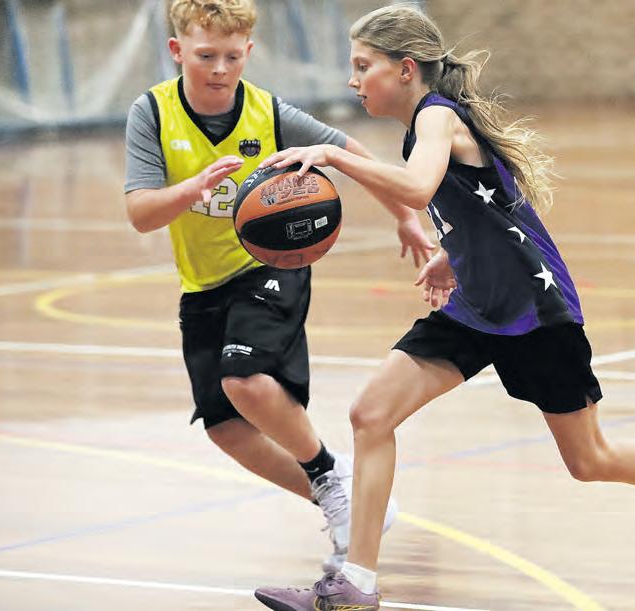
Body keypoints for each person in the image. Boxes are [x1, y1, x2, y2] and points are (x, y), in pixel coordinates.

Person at [252, 5, 635, 609]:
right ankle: (355, 585)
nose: (353, 80)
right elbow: (491, 200)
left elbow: (418, 189)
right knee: (371, 415)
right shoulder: (426, 127)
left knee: (590, 458)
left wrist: (335, 156)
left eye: (362, 66)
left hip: (533, 311)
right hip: (476, 308)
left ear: (405, 68)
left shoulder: (437, 117)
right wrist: (453, 253)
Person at [123, 0, 433, 572]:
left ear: (249, 51)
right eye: (205, 56)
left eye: (232, 56)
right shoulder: (152, 113)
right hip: (202, 284)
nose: (220, 69)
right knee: (226, 430)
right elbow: (142, 214)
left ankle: (326, 475)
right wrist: (191, 189)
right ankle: (343, 493)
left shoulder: (267, 112)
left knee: (245, 380)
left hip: (271, 265)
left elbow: (351, 154)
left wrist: (405, 216)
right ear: (176, 51)